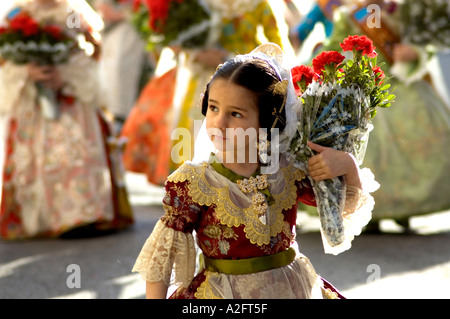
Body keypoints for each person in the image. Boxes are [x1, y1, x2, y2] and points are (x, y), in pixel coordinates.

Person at [132, 43, 378, 299]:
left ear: (267, 121)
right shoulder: (192, 182)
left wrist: (347, 164)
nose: (220, 123)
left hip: (293, 289)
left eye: (236, 114)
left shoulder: (289, 169)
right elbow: (162, 263)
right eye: (214, 108)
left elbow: (342, 212)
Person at [310, 0, 450, 230]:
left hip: (400, 83)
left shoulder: (405, 11)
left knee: (418, 133)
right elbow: (335, 46)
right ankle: (370, 210)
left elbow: (425, 43)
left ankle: (405, 206)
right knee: (363, 145)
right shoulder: (350, 15)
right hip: (362, 86)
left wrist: (413, 52)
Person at [120, 0, 293, 186]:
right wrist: (196, 53)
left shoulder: (259, 4)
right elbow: (181, 41)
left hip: (246, 84)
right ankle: (191, 189)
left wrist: (232, 61)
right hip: (203, 79)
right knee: (197, 128)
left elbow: (277, 52)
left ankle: (241, 185)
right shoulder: (202, 3)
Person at [0, 0, 133, 240]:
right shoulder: (17, 14)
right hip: (33, 100)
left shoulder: (75, 13)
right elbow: (5, 59)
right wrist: (28, 72)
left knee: (79, 150)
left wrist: (64, 75)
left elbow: (92, 53)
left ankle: (83, 214)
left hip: (72, 95)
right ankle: (45, 216)